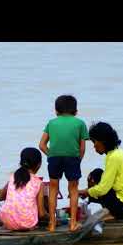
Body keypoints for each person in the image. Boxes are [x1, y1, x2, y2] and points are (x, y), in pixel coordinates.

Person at [39, 95, 89, 232]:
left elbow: (42, 145)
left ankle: (52, 224)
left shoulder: (51, 123)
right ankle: (73, 224)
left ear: (56, 110)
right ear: (75, 111)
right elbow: (82, 147)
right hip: (73, 158)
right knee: (73, 189)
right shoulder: (80, 123)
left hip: (54, 158)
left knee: (53, 189)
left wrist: (51, 155)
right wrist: (78, 160)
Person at [78, 122, 123, 221]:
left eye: (94, 142)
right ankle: (108, 210)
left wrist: (85, 192)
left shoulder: (114, 158)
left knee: (97, 179)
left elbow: (103, 189)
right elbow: (106, 184)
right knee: (96, 174)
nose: (94, 146)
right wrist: (87, 193)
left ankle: (113, 214)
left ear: (103, 141)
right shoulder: (116, 153)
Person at [0, 147, 48, 231]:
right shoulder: (38, 183)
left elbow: (1, 197)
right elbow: (42, 214)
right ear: (39, 164)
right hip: (27, 223)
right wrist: (52, 218)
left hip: (6, 220)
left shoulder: (13, 176)